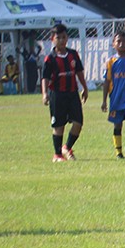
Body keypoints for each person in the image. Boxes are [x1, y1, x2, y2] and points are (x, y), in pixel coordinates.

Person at [41, 23, 87, 163]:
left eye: (64, 37)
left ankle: (67, 147)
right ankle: (57, 155)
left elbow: (79, 72)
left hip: (72, 93)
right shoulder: (50, 58)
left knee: (78, 122)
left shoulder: (73, 54)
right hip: (57, 94)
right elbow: (45, 77)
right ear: (52, 39)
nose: (61, 40)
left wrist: (84, 87)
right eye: (58, 37)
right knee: (58, 125)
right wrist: (45, 93)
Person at [100, 30, 125, 160]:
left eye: (124, 41)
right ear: (113, 44)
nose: (122, 44)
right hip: (116, 97)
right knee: (117, 124)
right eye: (119, 41)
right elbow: (107, 81)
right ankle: (118, 152)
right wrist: (104, 100)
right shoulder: (111, 62)